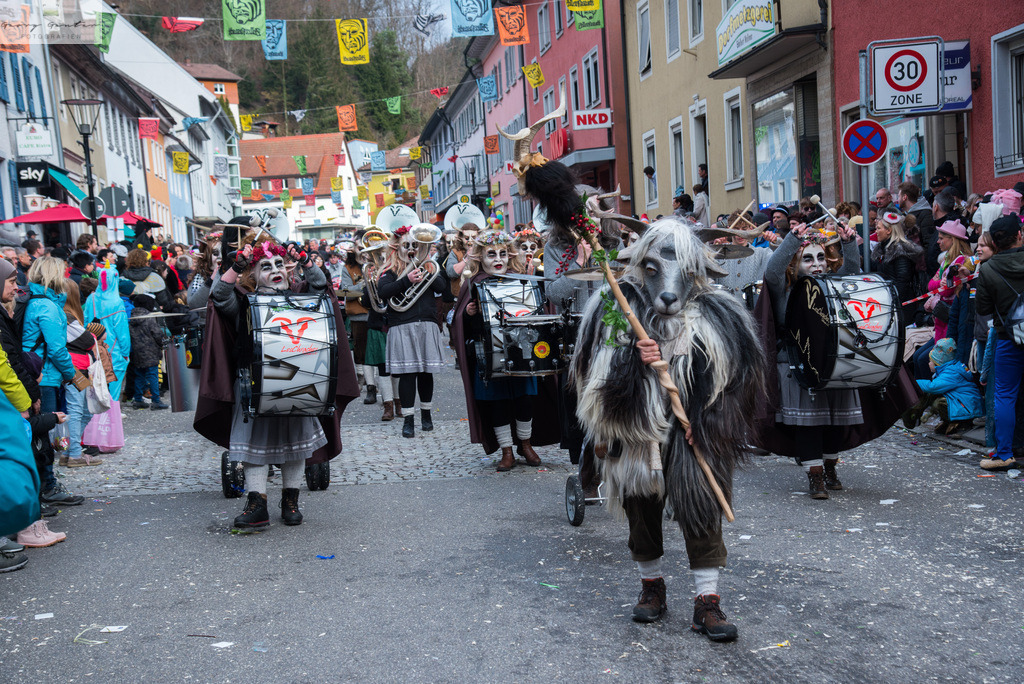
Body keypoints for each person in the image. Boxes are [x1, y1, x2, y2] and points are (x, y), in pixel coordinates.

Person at [570, 218, 764, 640]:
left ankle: (707, 602)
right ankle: (651, 587)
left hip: (694, 433)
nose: (669, 290)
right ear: (643, 266)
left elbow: (737, 384)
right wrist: (633, 363)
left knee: (703, 505)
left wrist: (708, 424)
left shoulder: (722, 313)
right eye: (656, 269)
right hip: (637, 433)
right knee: (640, 510)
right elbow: (593, 386)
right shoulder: (613, 308)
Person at [195, 229, 359, 529]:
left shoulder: (301, 297)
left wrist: (306, 262)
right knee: (253, 444)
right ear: (255, 275)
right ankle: (257, 503)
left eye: (279, 266)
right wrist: (237, 266)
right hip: (255, 384)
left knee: (295, 443)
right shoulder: (244, 302)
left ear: (288, 270)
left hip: (299, 380)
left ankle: (290, 500)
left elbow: (322, 286)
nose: (274, 271)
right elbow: (219, 296)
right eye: (265, 267)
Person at [756, 221, 915, 498]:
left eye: (820, 258)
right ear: (795, 263)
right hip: (798, 365)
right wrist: (792, 240)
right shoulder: (786, 290)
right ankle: (815, 476)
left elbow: (852, 272)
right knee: (809, 424)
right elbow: (772, 271)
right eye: (807, 259)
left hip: (837, 363)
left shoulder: (832, 284)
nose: (816, 264)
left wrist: (849, 243)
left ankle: (830, 469)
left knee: (833, 422)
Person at [453, 231, 544, 470]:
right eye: (491, 254)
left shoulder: (520, 279)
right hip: (489, 351)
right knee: (497, 401)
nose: (498, 259)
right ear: (480, 258)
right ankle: (506, 451)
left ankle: (525, 444)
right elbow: (463, 325)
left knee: (525, 397)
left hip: (520, 347)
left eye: (503, 254)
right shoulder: (473, 283)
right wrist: (469, 315)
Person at [21, 257, 89, 505]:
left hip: (41, 373)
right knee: (42, 433)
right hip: (44, 376)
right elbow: (57, 349)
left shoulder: (37, 302)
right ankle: (47, 487)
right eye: (62, 272)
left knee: (42, 431)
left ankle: (45, 485)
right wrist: (73, 376)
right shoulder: (47, 307)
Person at [376, 225, 449, 438]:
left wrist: (427, 267)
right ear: (397, 247)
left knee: (426, 373)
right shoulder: (390, 271)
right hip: (401, 324)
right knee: (407, 375)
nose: (411, 249)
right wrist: (407, 280)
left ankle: (427, 415)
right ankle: (408, 420)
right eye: (406, 245)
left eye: (415, 246)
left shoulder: (429, 265)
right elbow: (383, 292)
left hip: (426, 323)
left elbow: (442, 289)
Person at [974, 214, 1024, 471]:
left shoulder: (989, 268)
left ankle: (1004, 454)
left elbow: (982, 308)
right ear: (1019, 235)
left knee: (1004, 394)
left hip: (1007, 337)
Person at [871, 212, 923, 321]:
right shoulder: (883, 249)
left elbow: (902, 282)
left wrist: (892, 302)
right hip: (888, 302)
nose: (876, 232)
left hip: (900, 307)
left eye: (879, 228)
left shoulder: (900, 252)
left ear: (888, 230)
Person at [128, 294, 169, 410]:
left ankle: (138, 399)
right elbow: (157, 334)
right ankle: (156, 400)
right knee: (153, 375)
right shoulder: (149, 318)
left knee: (139, 375)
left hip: (137, 351)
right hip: (150, 351)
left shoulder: (132, 317)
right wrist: (163, 343)